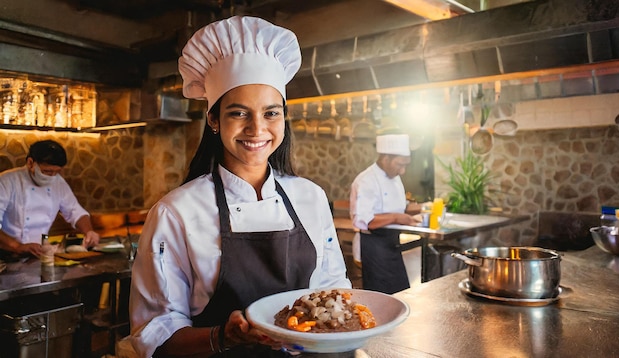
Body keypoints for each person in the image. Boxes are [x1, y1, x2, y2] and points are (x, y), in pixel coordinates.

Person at [128, 16, 351, 357]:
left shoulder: (311, 197)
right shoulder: (177, 211)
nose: (257, 128)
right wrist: (225, 337)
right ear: (214, 120)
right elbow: (155, 332)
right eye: (239, 113)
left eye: (271, 113)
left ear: (283, 118)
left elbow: (333, 288)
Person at [0, 139, 100, 258]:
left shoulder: (58, 183)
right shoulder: (7, 182)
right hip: (6, 254)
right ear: (30, 163)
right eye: (47, 171)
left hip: (39, 253)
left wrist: (89, 231)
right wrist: (17, 246)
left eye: (56, 172)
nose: (52, 176)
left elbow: (75, 211)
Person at [349, 133, 422, 294]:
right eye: (400, 164)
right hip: (374, 247)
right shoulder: (366, 180)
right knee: (382, 297)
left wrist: (423, 208)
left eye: (406, 165)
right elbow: (364, 220)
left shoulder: (394, 177)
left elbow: (397, 205)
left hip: (391, 244)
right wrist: (398, 218)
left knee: (402, 295)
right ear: (385, 158)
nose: (402, 171)